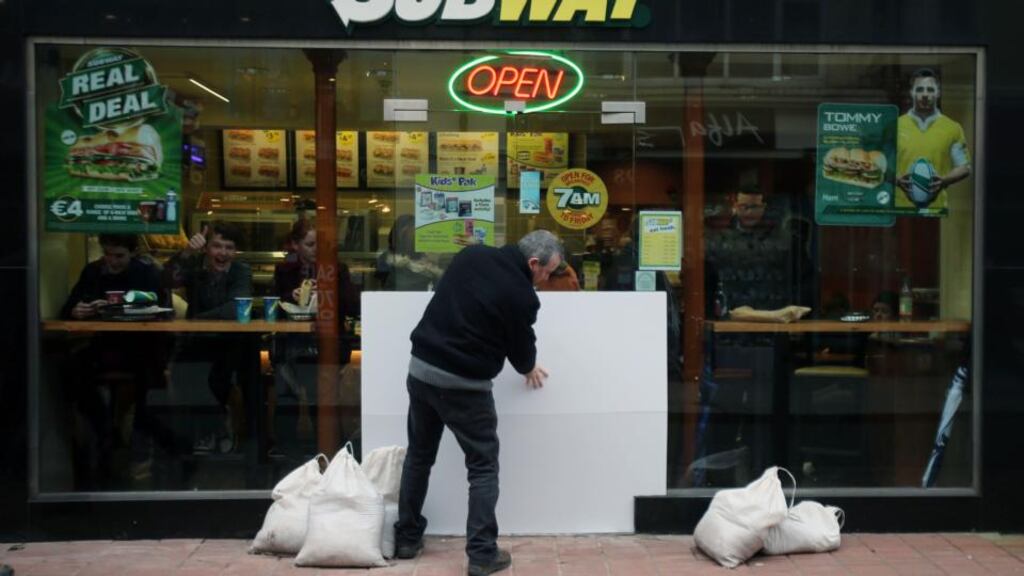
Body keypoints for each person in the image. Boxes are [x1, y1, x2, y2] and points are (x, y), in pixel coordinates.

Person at [394, 230, 563, 576]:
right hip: (465, 387)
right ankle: (482, 554)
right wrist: (529, 367)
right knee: (483, 467)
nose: (546, 280)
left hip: (422, 371)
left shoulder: (471, 256)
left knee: (419, 455)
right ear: (533, 263)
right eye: (547, 272)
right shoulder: (522, 296)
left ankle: (407, 539)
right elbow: (521, 351)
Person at [60, 234, 180, 486]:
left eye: (119, 256)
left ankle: (151, 447)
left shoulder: (146, 272)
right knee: (73, 372)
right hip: (104, 344)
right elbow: (70, 305)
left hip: (143, 346)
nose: (111, 261)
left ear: (132, 254)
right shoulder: (93, 271)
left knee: (149, 387)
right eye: (107, 254)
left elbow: (162, 309)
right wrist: (76, 310)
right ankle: (104, 432)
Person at [163, 221, 253, 453]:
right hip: (197, 341)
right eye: (217, 246)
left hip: (229, 342)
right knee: (182, 374)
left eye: (229, 247)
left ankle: (219, 429)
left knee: (222, 375)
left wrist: (196, 320)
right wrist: (186, 253)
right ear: (206, 249)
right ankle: (213, 425)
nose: (223, 253)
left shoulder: (241, 270)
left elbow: (235, 309)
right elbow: (165, 281)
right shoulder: (194, 267)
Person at [272, 218, 361, 440]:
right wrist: (289, 296)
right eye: (310, 245)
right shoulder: (285, 270)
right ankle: (288, 449)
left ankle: (328, 447)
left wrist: (329, 293)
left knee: (325, 398)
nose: (317, 251)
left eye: (321, 245)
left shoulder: (337, 269)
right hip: (293, 343)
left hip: (329, 342)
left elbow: (352, 305)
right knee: (288, 396)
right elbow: (272, 306)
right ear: (296, 245)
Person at [896, 68, 972, 211]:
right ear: (912, 92)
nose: (925, 94)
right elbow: (882, 163)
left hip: (936, 209)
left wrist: (944, 181)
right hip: (900, 208)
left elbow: (964, 167)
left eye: (930, 90)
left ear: (938, 93)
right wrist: (896, 179)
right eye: (920, 89)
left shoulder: (952, 128)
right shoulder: (895, 126)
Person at [375, 214, 444, 291]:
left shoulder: (425, 256)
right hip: (395, 298)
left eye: (413, 233)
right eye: (405, 234)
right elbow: (381, 274)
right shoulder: (388, 257)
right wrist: (395, 263)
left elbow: (440, 282)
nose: (409, 237)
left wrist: (435, 270)